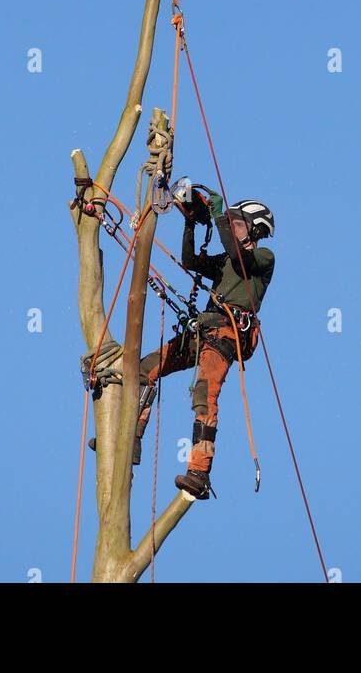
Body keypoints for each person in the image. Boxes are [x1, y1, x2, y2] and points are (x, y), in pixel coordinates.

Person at [135, 178, 275, 500]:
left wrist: (217, 216)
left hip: (226, 335)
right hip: (202, 331)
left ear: (255, 232)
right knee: (145, 368)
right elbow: (191, 262)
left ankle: (199, 471)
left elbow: (240, 257)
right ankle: (132, 438)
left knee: (204, 393)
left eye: (239, 225)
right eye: (233, 224)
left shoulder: (263, 259)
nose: (233, 229)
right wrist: (190, 224)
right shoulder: (227, 260)